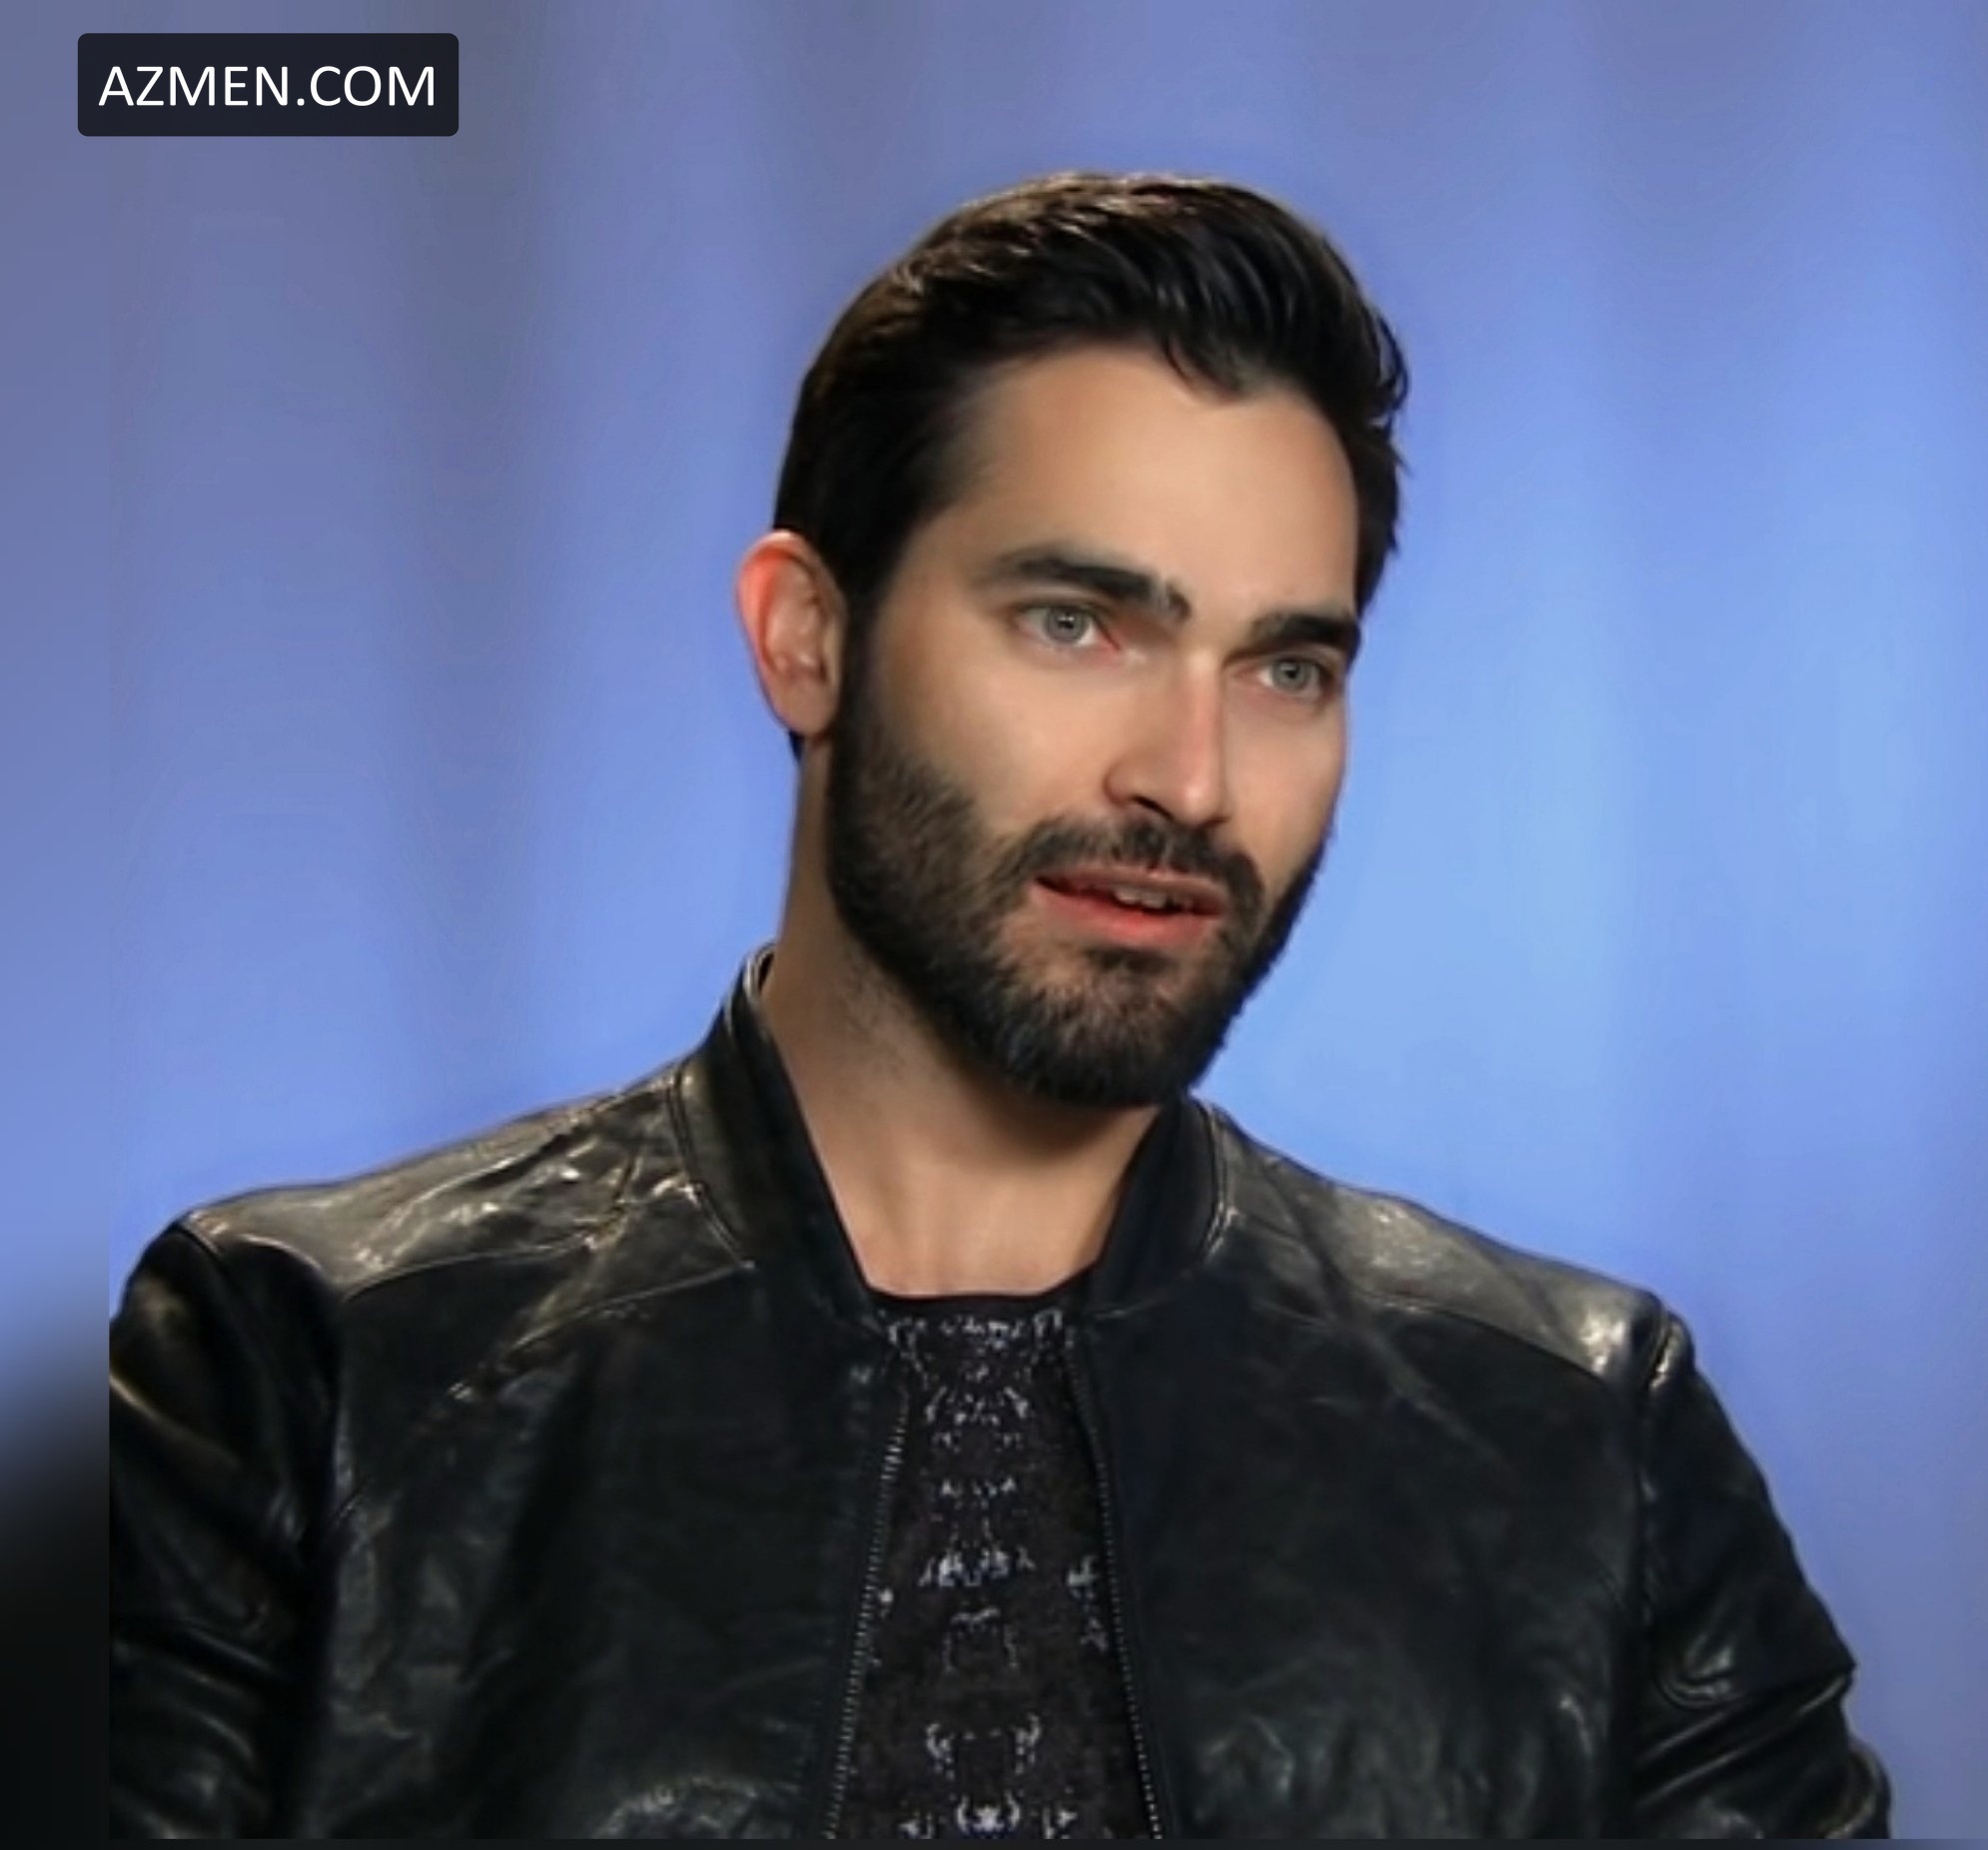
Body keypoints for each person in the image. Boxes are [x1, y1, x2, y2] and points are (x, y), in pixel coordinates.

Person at [109, 171, 1890, 1839]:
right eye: (1075, 624)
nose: (1190, 780)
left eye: (1283, 667)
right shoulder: (307, 1370)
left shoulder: (1576, 1437)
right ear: (805, 637)